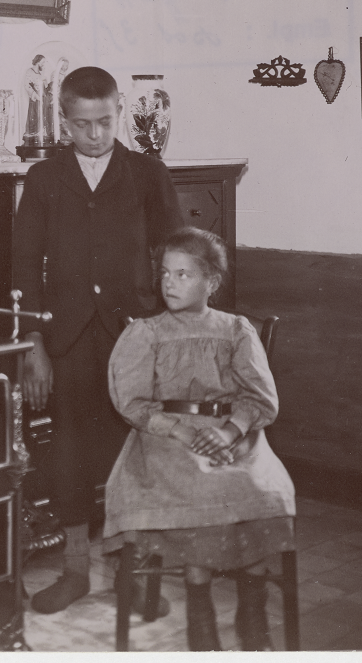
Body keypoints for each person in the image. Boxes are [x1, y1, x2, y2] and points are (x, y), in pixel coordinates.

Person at [12, 65, 183, 614]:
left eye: (105, 122)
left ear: (118, 113)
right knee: (67, 452)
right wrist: (33, 343)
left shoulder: (147, 173)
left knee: (129, 454)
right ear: (64, 122)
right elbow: (21, 267)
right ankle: (75, 572)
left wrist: (164, 329)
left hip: (132, 335)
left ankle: (128, 575)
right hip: (66, 339)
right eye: (82, 125)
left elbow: (175, 254)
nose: (94, 135)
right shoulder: (43, 179)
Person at [103, 227, 296, 650]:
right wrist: (179, 430)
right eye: (166, 274)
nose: (170, 283)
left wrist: (230, 430)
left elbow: (261, 397)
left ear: (211, 282)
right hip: (166, 436)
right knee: (201, 488)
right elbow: (132, 403)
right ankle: (200, 606)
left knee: (259, 486)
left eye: (184, 274)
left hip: (233, 433)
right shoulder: (146, 333)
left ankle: (252, 604)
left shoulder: (235, 329)